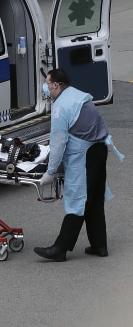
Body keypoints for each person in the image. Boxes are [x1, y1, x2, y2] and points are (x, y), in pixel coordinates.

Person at [34, 68, 123, 262]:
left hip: (84, 155)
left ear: (56, 85)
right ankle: (100, 245)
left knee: (78, 199)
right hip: (99, 149)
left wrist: (50, 172)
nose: (45, 87)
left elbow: (58, 143)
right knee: (94, 199)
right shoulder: (77, 95)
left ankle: (60, 248)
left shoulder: (60, 107)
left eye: (47, 83)